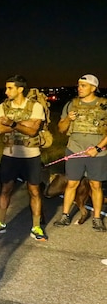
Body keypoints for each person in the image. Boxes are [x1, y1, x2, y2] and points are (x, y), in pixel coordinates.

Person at [0, 75, 47, 241]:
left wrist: (13, 123)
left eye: (10, 88)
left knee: (34, 190)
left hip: (31, 155)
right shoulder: (2, 106)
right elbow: (0, 128)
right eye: (6, 88)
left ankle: (36, 226)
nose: (6, 91)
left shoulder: (35, 106)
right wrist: (24, 124)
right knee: (5, 189)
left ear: (20, 89)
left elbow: (33, 131)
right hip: (10, 154)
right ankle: (0, 222)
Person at [53, 74, 107, 232]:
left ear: (93, 88)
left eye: (83, 85)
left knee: (96, 185)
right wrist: (68, 119)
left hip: (98, 153)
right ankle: (65, 215)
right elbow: (61, 129)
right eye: (79, 85)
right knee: (72, 184)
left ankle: (97, 219)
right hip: (75, 150)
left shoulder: (104, 105)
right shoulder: (72, 104)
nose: (79, 88)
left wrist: (97, 148)